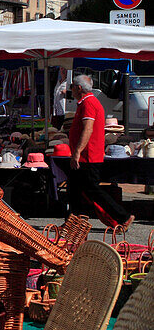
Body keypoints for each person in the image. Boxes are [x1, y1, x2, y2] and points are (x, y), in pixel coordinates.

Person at [68, 74, 134, 230]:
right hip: (86, 155)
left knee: (92, 190)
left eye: (72, 86)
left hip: (88, 156)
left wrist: (77, 151)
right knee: (76, 190)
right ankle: (74, 222)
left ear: (78, 88)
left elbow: (88, 128)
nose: (70, 89)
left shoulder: (88, 103)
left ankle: (122, 216)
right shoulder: (86, 102)